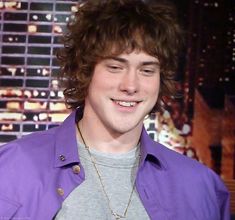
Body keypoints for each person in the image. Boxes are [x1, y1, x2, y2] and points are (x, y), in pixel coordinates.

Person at [0, 0, 230, 219]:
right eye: (115, 67)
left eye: (147, 70)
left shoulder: (201, 187)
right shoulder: (11, 168)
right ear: (85, 71)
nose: (130, 86)